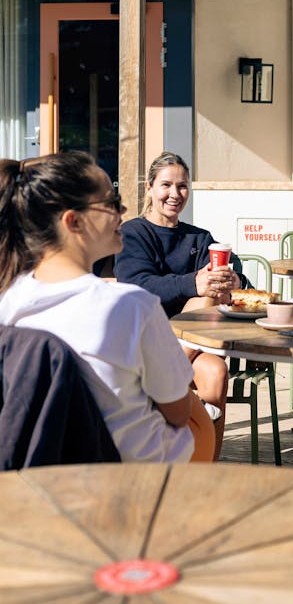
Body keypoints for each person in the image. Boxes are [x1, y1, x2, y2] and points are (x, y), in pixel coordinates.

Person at [0, 152, 215, 463]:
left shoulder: (9, 301)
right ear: (73, 221)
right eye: (111, 203)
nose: (122, 211)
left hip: (47, 469)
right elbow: (178, 412)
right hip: (137, 480)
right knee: (199, 420)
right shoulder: (131, 307)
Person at [115, 151, 247, 459]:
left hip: (189, 349)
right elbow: (138, 286)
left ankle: (206, 466)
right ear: (149, 188)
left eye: (182, 186)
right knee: (204, 299)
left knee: (215, 371)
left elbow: (237, 273)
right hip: (145, 344)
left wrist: (235, 280)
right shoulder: (133, 233)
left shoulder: (199, 238)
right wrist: (194, 284)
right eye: (166, 185)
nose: (175, 194)